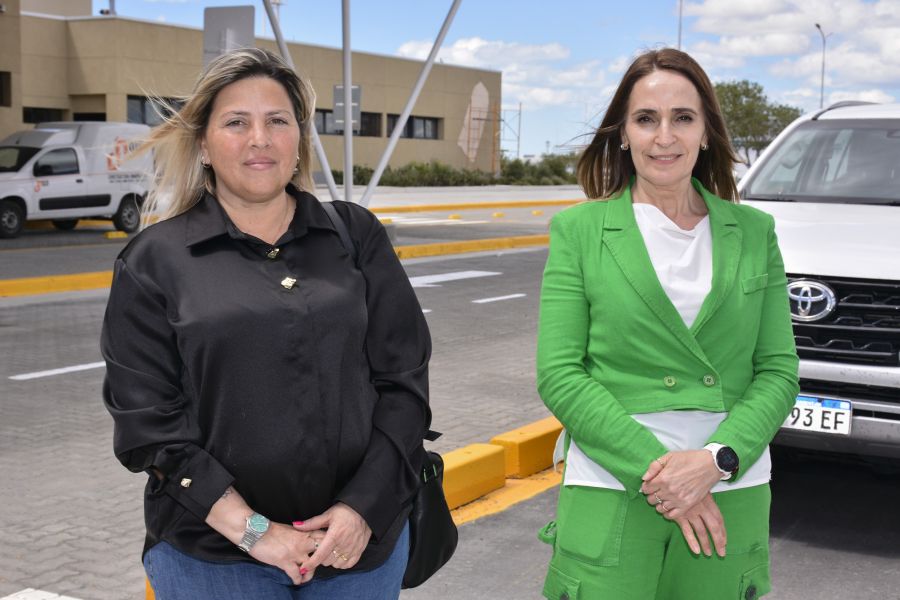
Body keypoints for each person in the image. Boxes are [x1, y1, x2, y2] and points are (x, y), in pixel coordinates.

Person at [101, 48, 431, 600]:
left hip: (358, 551)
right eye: (236, 122)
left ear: (298, 137)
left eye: (277, 120)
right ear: (203, 143)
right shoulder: (153, 261)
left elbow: (404, 385)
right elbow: (148, 428)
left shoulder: (356, 236)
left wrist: (360, 509)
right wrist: (256, 533)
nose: (260, 138)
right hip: (212, 560)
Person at [536, 48, 799, 600]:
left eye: (683, 118)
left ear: (706, 133)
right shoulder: (579, 231)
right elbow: (560, 373)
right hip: (612, 482)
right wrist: (662, 473)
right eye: (646, 119)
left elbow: (777, 370)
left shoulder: (755, 232)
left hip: (730, 483)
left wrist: (714, 461)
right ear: (623, 134)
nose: (665, 137)